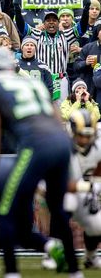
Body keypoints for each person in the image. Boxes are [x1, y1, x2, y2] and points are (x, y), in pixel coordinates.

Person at [0, 46, 84, 278]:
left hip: (35, 145)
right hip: (61, 144)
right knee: (58, 209)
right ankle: (75, 271)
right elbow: (58, 119)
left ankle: (12, 272)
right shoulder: (33, 83)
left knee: (5, 208)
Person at [64, 109, 101, 269]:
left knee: (97, 224)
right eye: (81, 134)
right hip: (58, 190)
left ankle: (90, 257)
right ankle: (54, 250)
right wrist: (93, 186)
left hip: (86, 191)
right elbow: (63, 184)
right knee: (67, 203)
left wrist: (95, 184)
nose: (84, 139)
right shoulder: (62, 148)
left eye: (88, 135)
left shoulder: (98, 145)